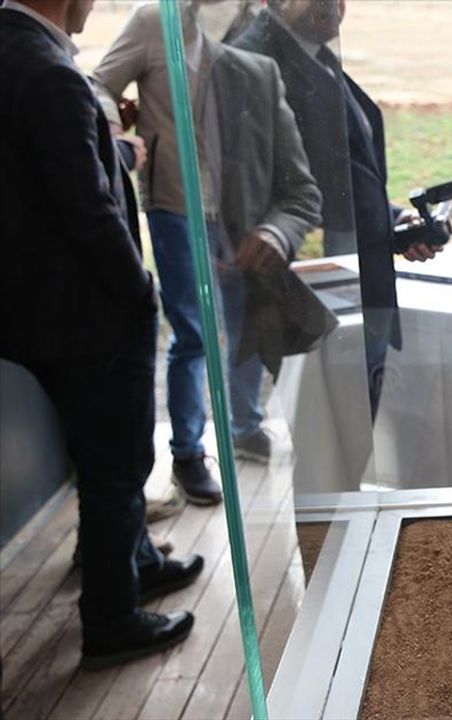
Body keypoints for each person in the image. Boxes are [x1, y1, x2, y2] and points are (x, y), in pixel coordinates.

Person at [1, 0, 201, 669]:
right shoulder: (51, 73)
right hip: (87, 312)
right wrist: (138, 291)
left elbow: (33, 170)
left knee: (101, 458)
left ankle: (135, 561)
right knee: (117, 465)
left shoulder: (13, 54)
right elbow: (86, 207)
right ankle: (113, 619)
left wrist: (112, 144)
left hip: (32, 307)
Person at [94, 0, 323, 487]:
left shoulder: (251, 33)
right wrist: (112, 126)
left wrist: (272, 228)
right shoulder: (156, 20)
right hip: (176, 206)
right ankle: (187, 452)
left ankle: (243, 426)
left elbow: (296, 178)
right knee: (194, 332)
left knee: (245, 318)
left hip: (239, 214)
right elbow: (99, 85)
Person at [233, 0, 444, 416]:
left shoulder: (316, 54)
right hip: (313, 299)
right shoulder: (252, 63)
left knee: (350, 427)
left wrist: (392, 220)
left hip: (351, 286)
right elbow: (257, 195)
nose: (333, 5)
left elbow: (337, 174)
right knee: (328, 434)